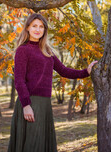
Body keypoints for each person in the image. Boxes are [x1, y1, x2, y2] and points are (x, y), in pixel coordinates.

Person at [7, 13, 97, 152]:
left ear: (44, 30)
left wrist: (86, 72)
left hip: (45, 104)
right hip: (30, 103)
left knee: (42, 145)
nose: (38, 29)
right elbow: (19, 81)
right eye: (34, 26)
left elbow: (64, 71)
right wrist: (26, 105)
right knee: (32, 145)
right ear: (28, 28)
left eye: (41, 26)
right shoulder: (23, 50)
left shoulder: (47, 51)